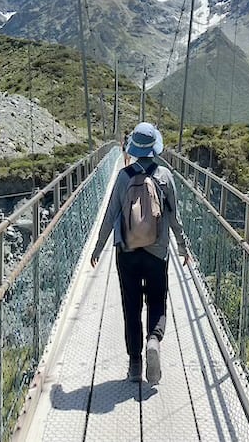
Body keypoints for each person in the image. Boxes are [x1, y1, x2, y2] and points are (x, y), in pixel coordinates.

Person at [90, 122, 189, 386]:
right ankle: (154, 339)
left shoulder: (123, 177)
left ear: (133, 148)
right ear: (155, 147)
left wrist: (97, 248)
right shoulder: (166, 177)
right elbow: (174, 218)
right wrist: (182, 247)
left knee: (131, 305)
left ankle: (135, 364)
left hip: (127, 251)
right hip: (157, 251)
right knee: (157, 299)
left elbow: (110, 215)